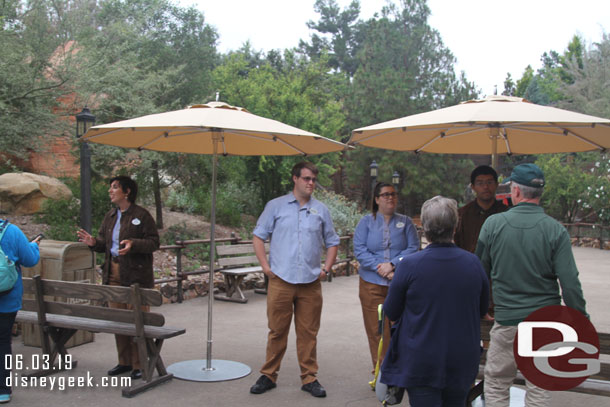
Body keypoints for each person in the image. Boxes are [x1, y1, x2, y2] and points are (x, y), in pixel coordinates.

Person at [475, 163, 588, 407]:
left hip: (506, 321)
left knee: (496, 384)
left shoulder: (493, 226)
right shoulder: (555, 230)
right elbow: (570, 284)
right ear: (539, 192)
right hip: (544, 322)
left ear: (515, 191)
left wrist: (481, 308)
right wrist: (581, 319)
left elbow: (479, 275)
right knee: (539, 387)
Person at [379, 196, 489, 406]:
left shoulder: (409, 266)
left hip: (421, 359)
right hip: (462, 358)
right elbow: (482, 308)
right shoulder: (473, 264)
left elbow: (391, 311)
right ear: (455, 227)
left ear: (425, 229)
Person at [249, 162, 339, 398]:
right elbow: (258, 237)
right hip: (281, 281)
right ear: (295, 179)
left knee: (308, 333)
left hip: (311, 283)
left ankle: (309, 378)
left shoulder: (321, 210)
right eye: (307, 178)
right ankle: (268, 374)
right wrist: (266, 268)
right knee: (277, 331)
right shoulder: (275, 206)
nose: (311, 183)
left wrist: (326, 269)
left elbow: (332, 241)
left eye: (313, 179)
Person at [77, 176, 159, 381]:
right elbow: (104, 243)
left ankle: (139, 364)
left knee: (136, 321)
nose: (110, 191)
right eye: (110, 187)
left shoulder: (142, 215)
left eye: (114, 187)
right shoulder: (110, 215)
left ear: (127, 191)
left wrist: (133, 243)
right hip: (113, 273)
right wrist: (93, 242)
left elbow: (154, 242)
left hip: (136, 275)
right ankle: (124, 362)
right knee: (119, 320)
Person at [353, 182, 419, 374]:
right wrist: (380, 268)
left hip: (400, 285)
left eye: (393, 194)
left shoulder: (406, 223)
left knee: (401, 329)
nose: (390, 197)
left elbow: (413, 248)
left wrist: (393, 264)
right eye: (385, 195)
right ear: (376, 199)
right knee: (376, 330)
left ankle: (401, 369)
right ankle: (382, 372)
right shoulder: (365, 222)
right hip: (371, 284)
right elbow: (359, 249)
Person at [0, 220, 41, 404]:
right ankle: (3, 390)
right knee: (3, 342)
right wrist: (33, 246)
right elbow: (30, 260)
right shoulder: (12, 232)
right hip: (7, 301)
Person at [454, 165, 508, 253]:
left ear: (497, 184)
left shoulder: (506, 214)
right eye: (480, 183)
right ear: (473, 187)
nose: (485, 187)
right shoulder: (462, 215)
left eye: (490, 182)